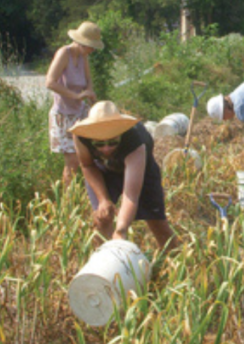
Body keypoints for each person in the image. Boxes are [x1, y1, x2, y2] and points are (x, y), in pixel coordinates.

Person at [70, 101, 176, 249]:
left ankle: (173, 261)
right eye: (99, 144)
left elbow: (131, 195)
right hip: (104, 170)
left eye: (112, 142)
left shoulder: (136, 139)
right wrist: (103, 200)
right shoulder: (81, 136)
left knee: (157, 222)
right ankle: (102, 265)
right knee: (102, 218)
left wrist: (121, 229)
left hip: (140, 171)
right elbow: (87, 165)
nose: (106, 149)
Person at [46, 21, 102, 185]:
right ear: (82, 42)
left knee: (88, 155)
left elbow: (88, 80)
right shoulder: (64, 53)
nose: (92, 50)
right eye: (90, 46)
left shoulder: (83, 56)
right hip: (64, 114)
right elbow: (50, 82)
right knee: (72, 162)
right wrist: (75, 96)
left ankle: (87, 191)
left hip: (79, 112)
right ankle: (68, 201)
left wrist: (90, 93)